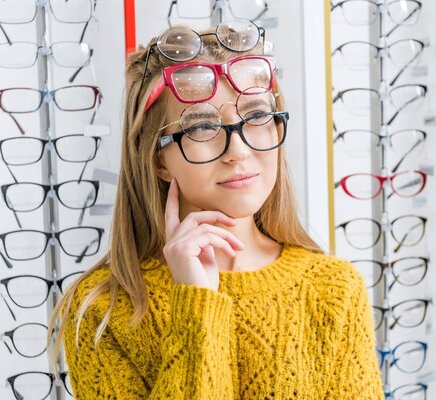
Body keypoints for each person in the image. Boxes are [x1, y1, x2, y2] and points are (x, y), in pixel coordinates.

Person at [48, 21, 384, 399]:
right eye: (202, 126)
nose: (238, 151)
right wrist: (197, 306)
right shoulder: (106, 308)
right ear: (156, 159)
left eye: (257, 117)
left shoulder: (334, 290)